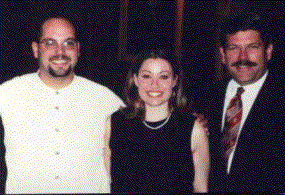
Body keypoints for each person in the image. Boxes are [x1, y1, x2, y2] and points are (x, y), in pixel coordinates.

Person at [0, 17, 124, 194]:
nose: (60, 51)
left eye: (69, 43)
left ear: (78, 50)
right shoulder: (7, 94)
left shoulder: (105, 99)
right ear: (36, 49)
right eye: (50, 43)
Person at [206, 12, 285, 193]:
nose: (242, 57)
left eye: (252, 47)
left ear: (268, 51)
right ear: (222, 54)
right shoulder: (204, 97)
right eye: (233, 48)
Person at [103, 49, 210, 193]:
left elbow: (201, 188)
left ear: (174, 81)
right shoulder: (115, 123)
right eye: (146, 76)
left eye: (164, 77)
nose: (154, 84)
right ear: (135, 79)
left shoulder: (193, 128)